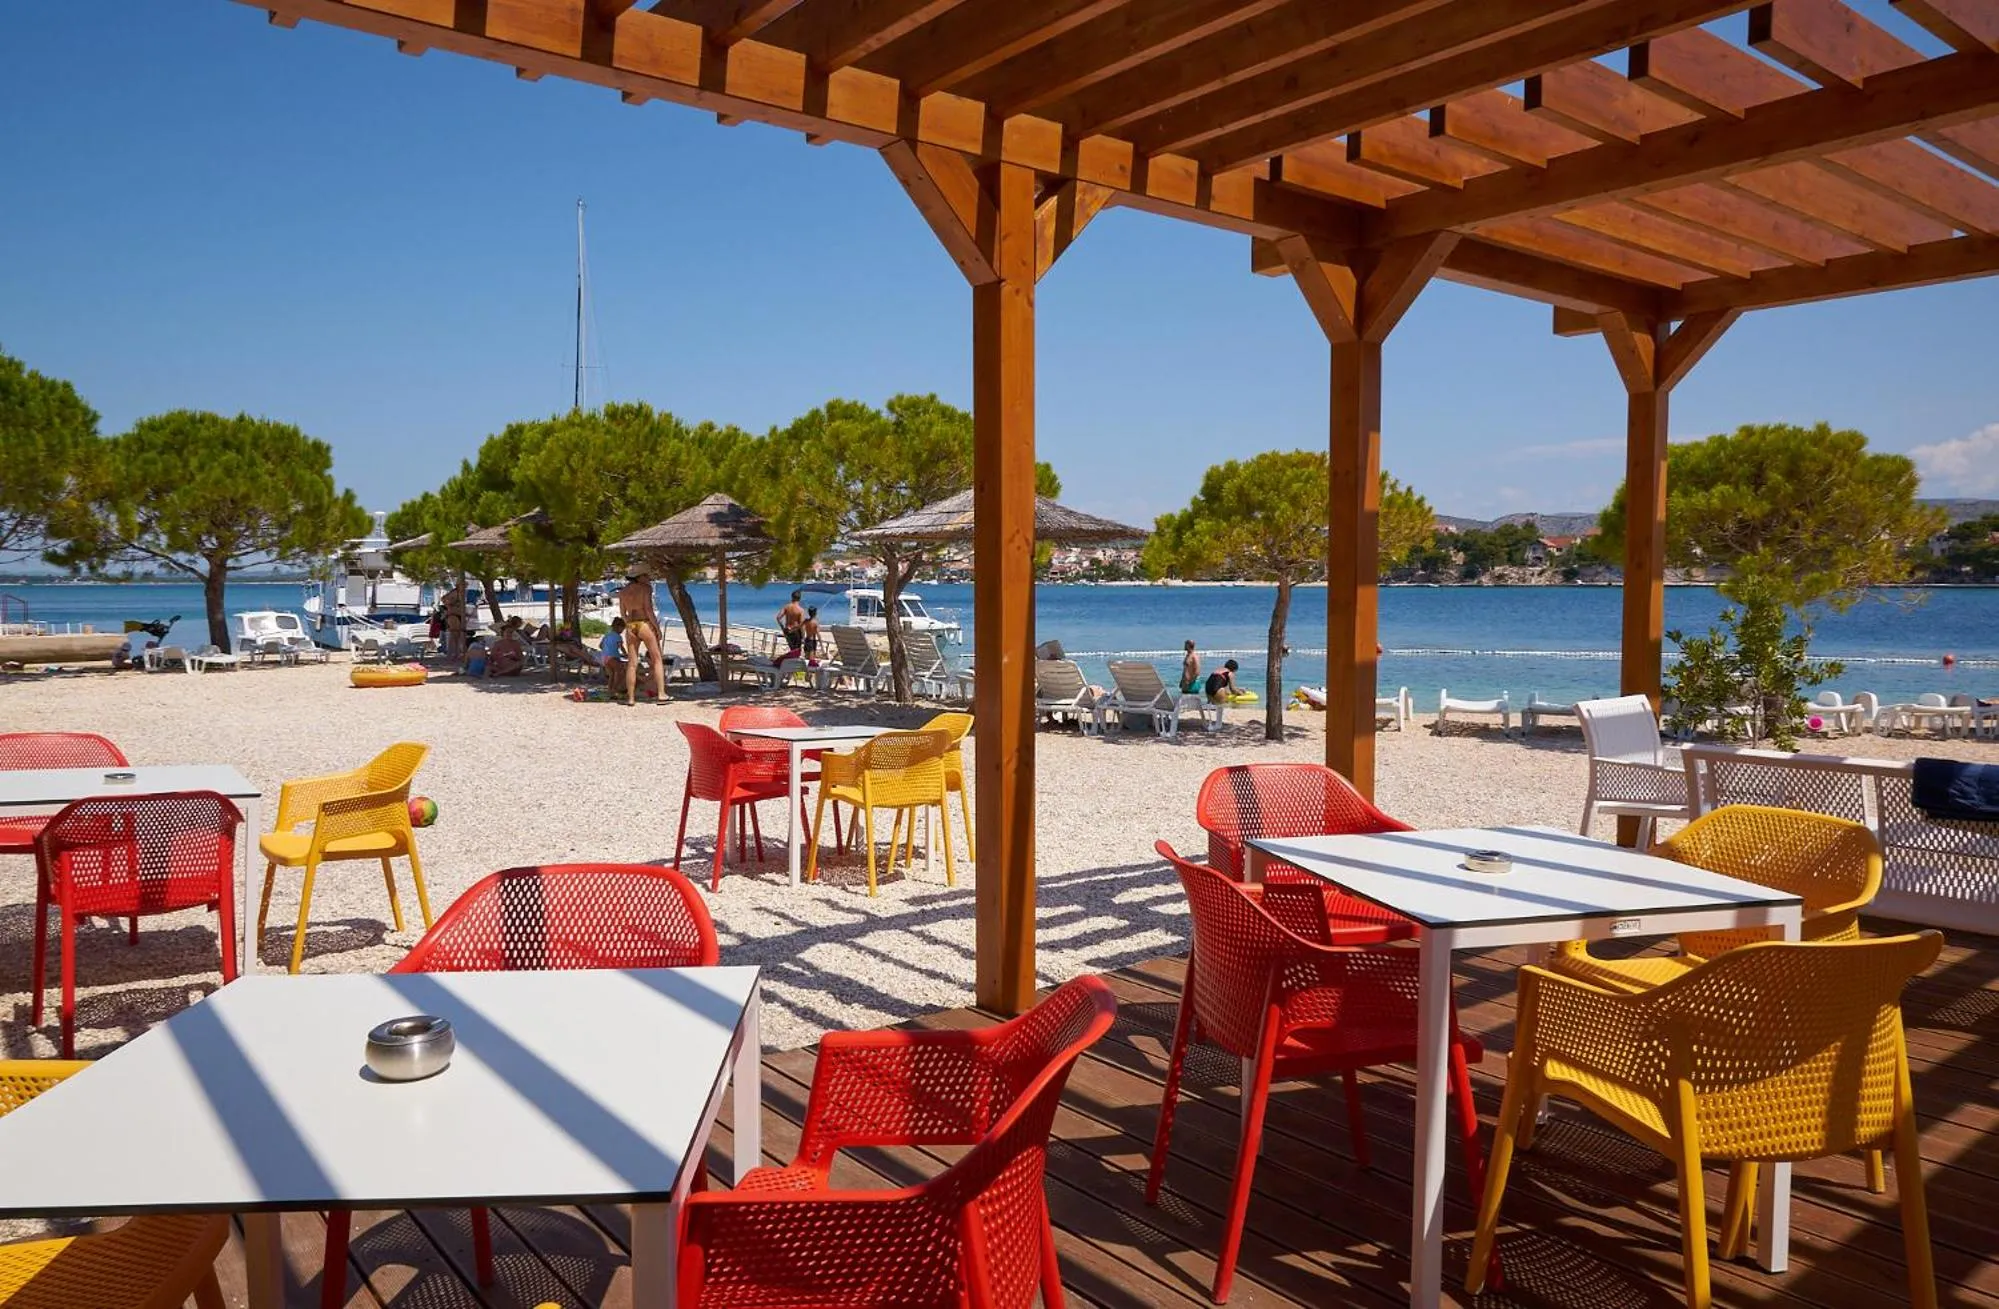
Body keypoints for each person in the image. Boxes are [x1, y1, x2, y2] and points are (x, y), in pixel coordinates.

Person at [617, 571, 667, 704]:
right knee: (657, 659)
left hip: (631, 626)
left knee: (632, 663)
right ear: (639, 577)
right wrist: (657, 628)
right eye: (646, 576)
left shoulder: (623, 592)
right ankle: (661, 694)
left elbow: (623, 613)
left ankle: (631, 698)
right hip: (644, 623)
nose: (648, 578)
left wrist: (628, 624)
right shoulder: (645, 589)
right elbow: (648, 610)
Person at [776, 590, 808, 658]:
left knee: (792, 648)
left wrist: (782, 627)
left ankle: (791, 662)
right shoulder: (800, 610)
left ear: (792, 597)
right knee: (796, 651)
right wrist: (803, 636)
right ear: (799, 598)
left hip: (787, 630)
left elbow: (778, 618)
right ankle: (793, 664)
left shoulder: (786, 607)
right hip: (795, 631)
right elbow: (802, 624)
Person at [442, 581, 467, 658]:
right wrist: (451, 604)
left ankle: (455, 653)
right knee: (455, 634)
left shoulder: (461, 593)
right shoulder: (454, 593)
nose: (465, 587)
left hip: (459, 614)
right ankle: (454, 653)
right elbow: (444, 599)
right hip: (453, 615)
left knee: (457, 634)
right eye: (464, 585)